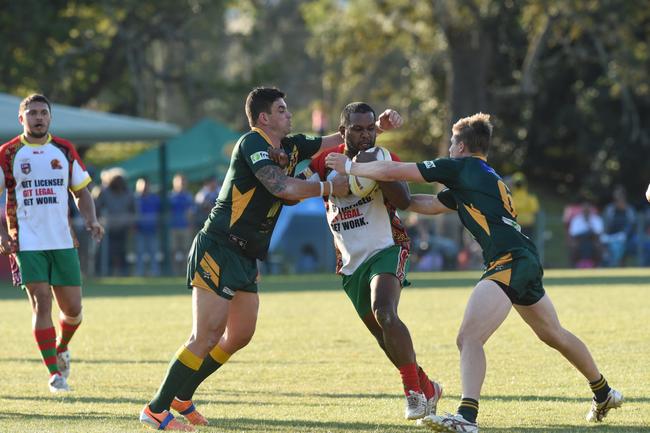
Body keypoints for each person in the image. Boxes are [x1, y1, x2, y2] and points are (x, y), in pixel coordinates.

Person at [325, 113, 622, 432]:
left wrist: (351, 167)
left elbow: (397, 169)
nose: (450, 148)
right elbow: (427, 204)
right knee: (554, 333)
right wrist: (394, 201)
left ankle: (467, 417)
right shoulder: (481, 175)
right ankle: (604, 392)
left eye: (452, 142)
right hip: (522, 259)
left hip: (508, 261)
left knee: (469, 337)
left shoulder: (461, 167)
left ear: (462, 146)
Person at [138, 87, 401, 431]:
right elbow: (282, 188)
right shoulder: (251, 143)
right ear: (264, 118)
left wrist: (376, 128)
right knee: (206, 335)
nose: (289, 114)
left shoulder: (290, 146)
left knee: (240, 334)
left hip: (247, 254)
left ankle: (181, 397)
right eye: (282, 110)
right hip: (219, 246)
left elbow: (334, 139)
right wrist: (327, 189)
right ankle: (156, 410)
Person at [302, 102, 441, 420]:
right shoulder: (327, 159)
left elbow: (404, 200)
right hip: (351, 262)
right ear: (343, 132)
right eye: (358, 129)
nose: (366, 136)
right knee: (382, 335)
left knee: (385, 313)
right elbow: (291, 187)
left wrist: (375, 171)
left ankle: (414, 395)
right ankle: (428, 387)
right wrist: (323, 185)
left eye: (370, 129)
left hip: (386, 247)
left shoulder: (382, 158)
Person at [0, 94, 104, 393]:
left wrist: (91, 220)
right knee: (41, 301)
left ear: (50, 117)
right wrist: (3, 234)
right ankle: (55, 375)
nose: (38, 117)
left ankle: (61, 346)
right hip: (27, 240)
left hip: (62, 239)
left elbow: (82, 192)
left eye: (43, 112)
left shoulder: (64, 149)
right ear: (22, 119)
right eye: (32, 113)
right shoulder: (8, 153)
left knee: (73, 309)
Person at [95, 168, 135, 276]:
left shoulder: (128, 193)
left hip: (123, 228)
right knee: (107, 251)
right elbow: (97, 207)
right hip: (108, 228)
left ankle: (124, 272)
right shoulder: (104, 192)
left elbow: (133, 209)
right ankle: (103, 272)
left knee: (123, 251)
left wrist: (131, 223)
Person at [134, 177, 161, 276]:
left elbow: (159, 213)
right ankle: (139, 272)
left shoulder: (155, 198)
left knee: (153, 252)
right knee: (139, 252)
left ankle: (155, 272)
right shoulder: (135, 199)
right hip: (139, 230)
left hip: (152, 230)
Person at [168, 173, 195, 276]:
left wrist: (191, 224)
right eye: (179, 181)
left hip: (185, 227)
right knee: (173, 250)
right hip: (173, 228)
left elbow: (192, 212)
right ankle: (174, 271)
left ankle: (185, 270)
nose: (181, 184)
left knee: (186, 250)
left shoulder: (189, 196)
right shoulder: (170, 197)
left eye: (183, 182)